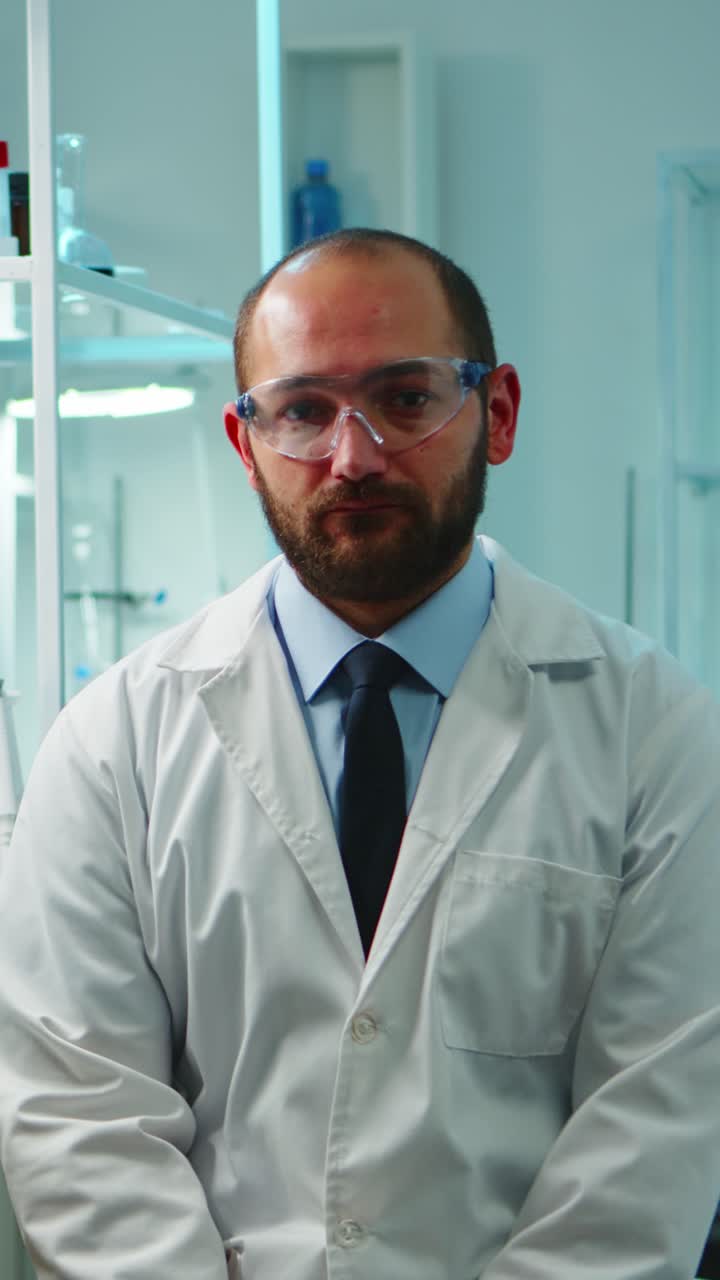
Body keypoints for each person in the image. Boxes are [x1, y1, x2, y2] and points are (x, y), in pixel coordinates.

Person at [0, 228, 718, 1280]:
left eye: (407, 396)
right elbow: (81, 1115)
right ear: (246, 445)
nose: (355, 453)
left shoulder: (655, 730)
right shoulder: (117, 741)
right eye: (302, 410)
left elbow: (657, 1124)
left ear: (498, 413)